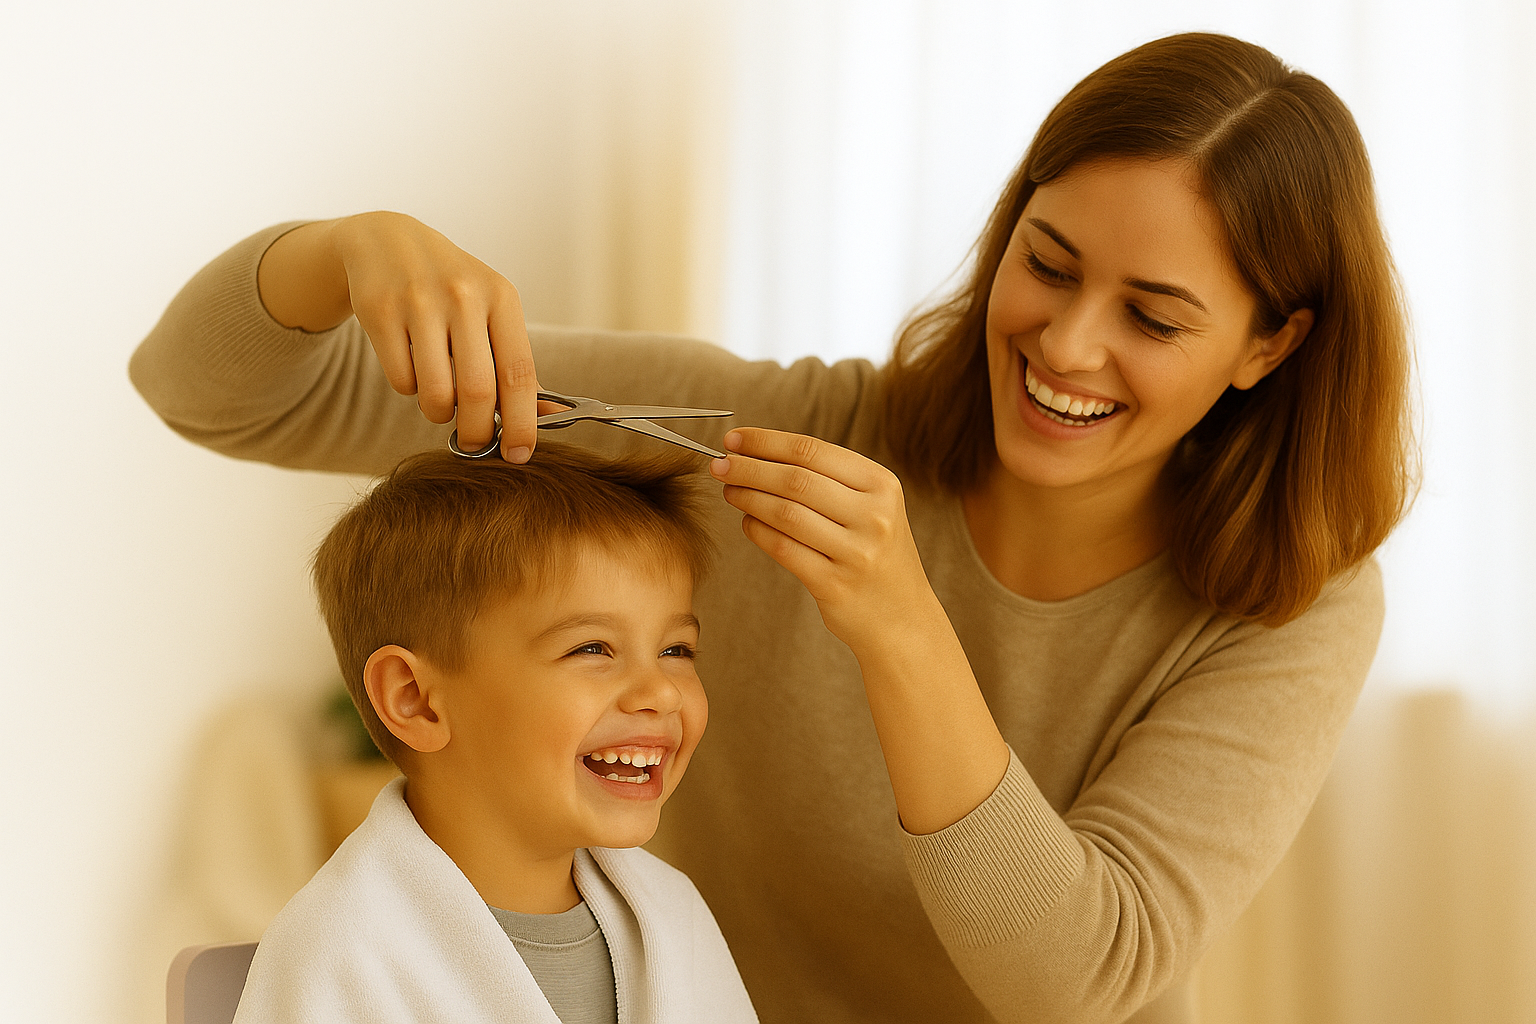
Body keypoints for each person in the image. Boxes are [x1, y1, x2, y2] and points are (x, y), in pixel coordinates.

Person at [132, 32, 1416, 1024]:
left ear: (1269, 344)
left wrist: (903, 629)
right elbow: (220, 394)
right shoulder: (781, 436)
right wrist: (344, 250)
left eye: (1154, 314)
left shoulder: (1290, 602)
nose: (1067, 343)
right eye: (1050, 261)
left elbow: (1079, 976)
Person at [230, 445, 759, 1024]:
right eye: (591, 648)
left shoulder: (673, 916)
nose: (660, 692)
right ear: (416, 700)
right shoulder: (338, 955)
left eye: (676, 650)